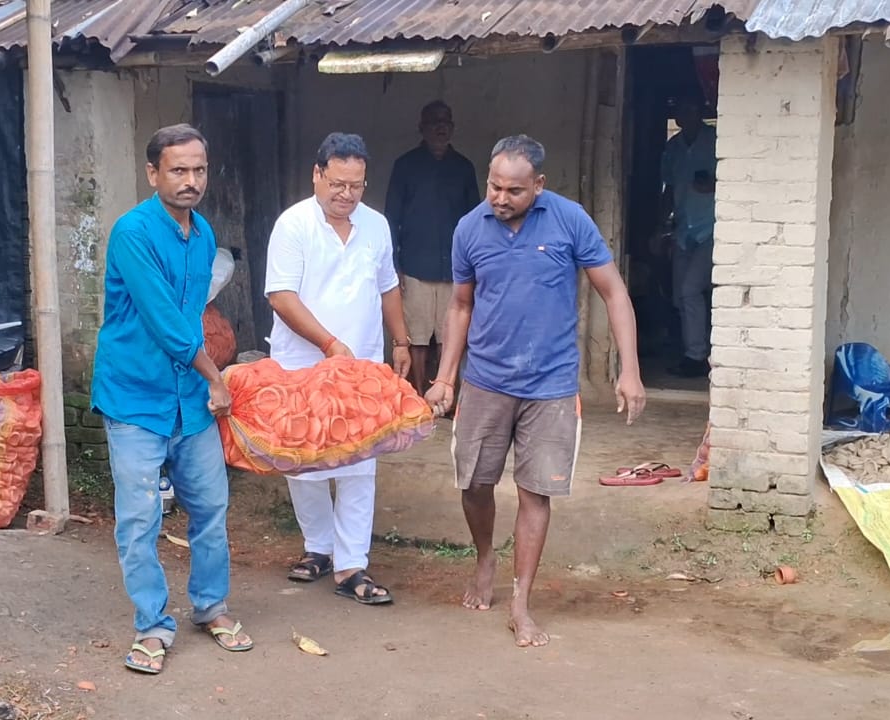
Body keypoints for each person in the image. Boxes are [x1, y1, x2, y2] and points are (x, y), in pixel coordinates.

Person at [424, 134, 646, 647]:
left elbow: (613, 293)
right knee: (475, 484)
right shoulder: (469, 228)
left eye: (514, 191)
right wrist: (444, 377)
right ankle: (485, 558)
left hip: (550, 384)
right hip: (484, 380)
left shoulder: (570, 221)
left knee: (536, 491)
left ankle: (521, 601)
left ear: (539, 186)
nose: (500, 198)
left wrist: (628, 369)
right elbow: (460, 305)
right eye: (494, 186)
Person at [92, 123, 252, 676]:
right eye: (178, 170)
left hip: (187, 398)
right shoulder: (132, 232)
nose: (190, 181)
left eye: (199, 170)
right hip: (136, 396)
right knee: (140, 518)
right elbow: (165, 321)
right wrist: (216, 375)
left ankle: (210, 607)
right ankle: (153, 625)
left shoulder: (203, 234)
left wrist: (205, 376)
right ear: (152, 173)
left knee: (210, 507)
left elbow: (193, 313)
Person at [265, 132, 411, 606]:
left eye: (356, 186)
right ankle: (318, 548)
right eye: (337, 184)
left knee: (358, 460)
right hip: (302, 363)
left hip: (362, 363)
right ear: (317, 174)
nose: (346, 195)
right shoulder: (294, 225)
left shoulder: (377, 226)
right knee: (303, 461)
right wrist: (328, 343)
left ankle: (351, 565)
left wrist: (401, 340)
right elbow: (281, 296)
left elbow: (388, 286)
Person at [385, 100, 482, 397]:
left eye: (446, 122)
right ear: (422, 128)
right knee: (417, 335)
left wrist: (476, 267)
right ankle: (417, 395)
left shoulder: (464, 168)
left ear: (452, 127)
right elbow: (392, 218)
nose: (441, 127)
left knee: (450, 334)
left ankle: (446, 393)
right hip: (415, 264)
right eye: (434, 122)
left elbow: (477, 221)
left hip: (455, 269)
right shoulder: (405, 166)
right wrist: (395, 265)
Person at [660, 96, 717, 378]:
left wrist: (713, 185)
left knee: (691, 290)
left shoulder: (717, 140)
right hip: (684, 230)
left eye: (690, 107)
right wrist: (660, 228)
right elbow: (668, 190)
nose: (685, 113)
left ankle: (697, 356)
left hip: (713, 229)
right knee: (680, 297)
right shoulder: (673, 148)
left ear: (700, 111)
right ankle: (690, 351)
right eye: (680, 109)